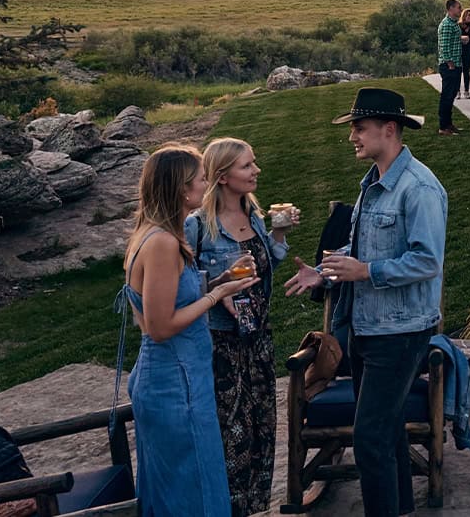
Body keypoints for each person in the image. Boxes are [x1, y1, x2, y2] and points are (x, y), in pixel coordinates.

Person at [319, 89, 448, 517]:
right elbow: (364, 246)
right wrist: (323, 272)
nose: (352, 136)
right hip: (366, 329)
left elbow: (427, 260)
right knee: (388, 432)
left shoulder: (420, 188)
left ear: (388, 130)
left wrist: (366, 272)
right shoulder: (373, 182)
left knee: (369, 439)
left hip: (401, 332)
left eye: (359, 128)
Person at [121, 145, 252, 517]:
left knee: (185, 486)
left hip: (179, 377)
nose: (206, 183)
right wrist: (218, 296)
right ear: (182, 188)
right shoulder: (162, 243)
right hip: (174, 383)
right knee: (190, 491)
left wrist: (218, 282)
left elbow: (167, 304)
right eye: (200, 178)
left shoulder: (156, 233)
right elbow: (159, 327)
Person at [187, 138, 298, 517]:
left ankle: (257, 509)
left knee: (262, 434)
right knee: (229, 439)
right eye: (247, 166)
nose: (256, 171)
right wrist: (218, 288)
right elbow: (179, 286)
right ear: (221, 177)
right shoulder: (197, 227)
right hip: (220, 348)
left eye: (254, 163)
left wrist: (279, 236)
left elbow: (263, 268)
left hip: (258, 342)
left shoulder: (254, 217)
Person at [436, 0, 462, 135]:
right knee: (447, 96)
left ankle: (449, 123)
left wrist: (461, 39)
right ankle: (443, 126)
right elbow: (444, 46)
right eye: (458, 7)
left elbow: (452, 40)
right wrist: (450, 63)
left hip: (456, 64)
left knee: (451, 94)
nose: (461, 10)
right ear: (451, 8)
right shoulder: (446, 24)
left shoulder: (454, 24)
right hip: (449, 66)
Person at [458, 7, 470, 96]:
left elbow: (469, 39)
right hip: (459, 50)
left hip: (468, 50)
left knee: (466, 71)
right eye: (468, 15)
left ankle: (466, 91)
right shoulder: (459, 25)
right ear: (464, 16)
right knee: (458, 71)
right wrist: (463, 38)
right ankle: (457, 91)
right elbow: (458, 38)